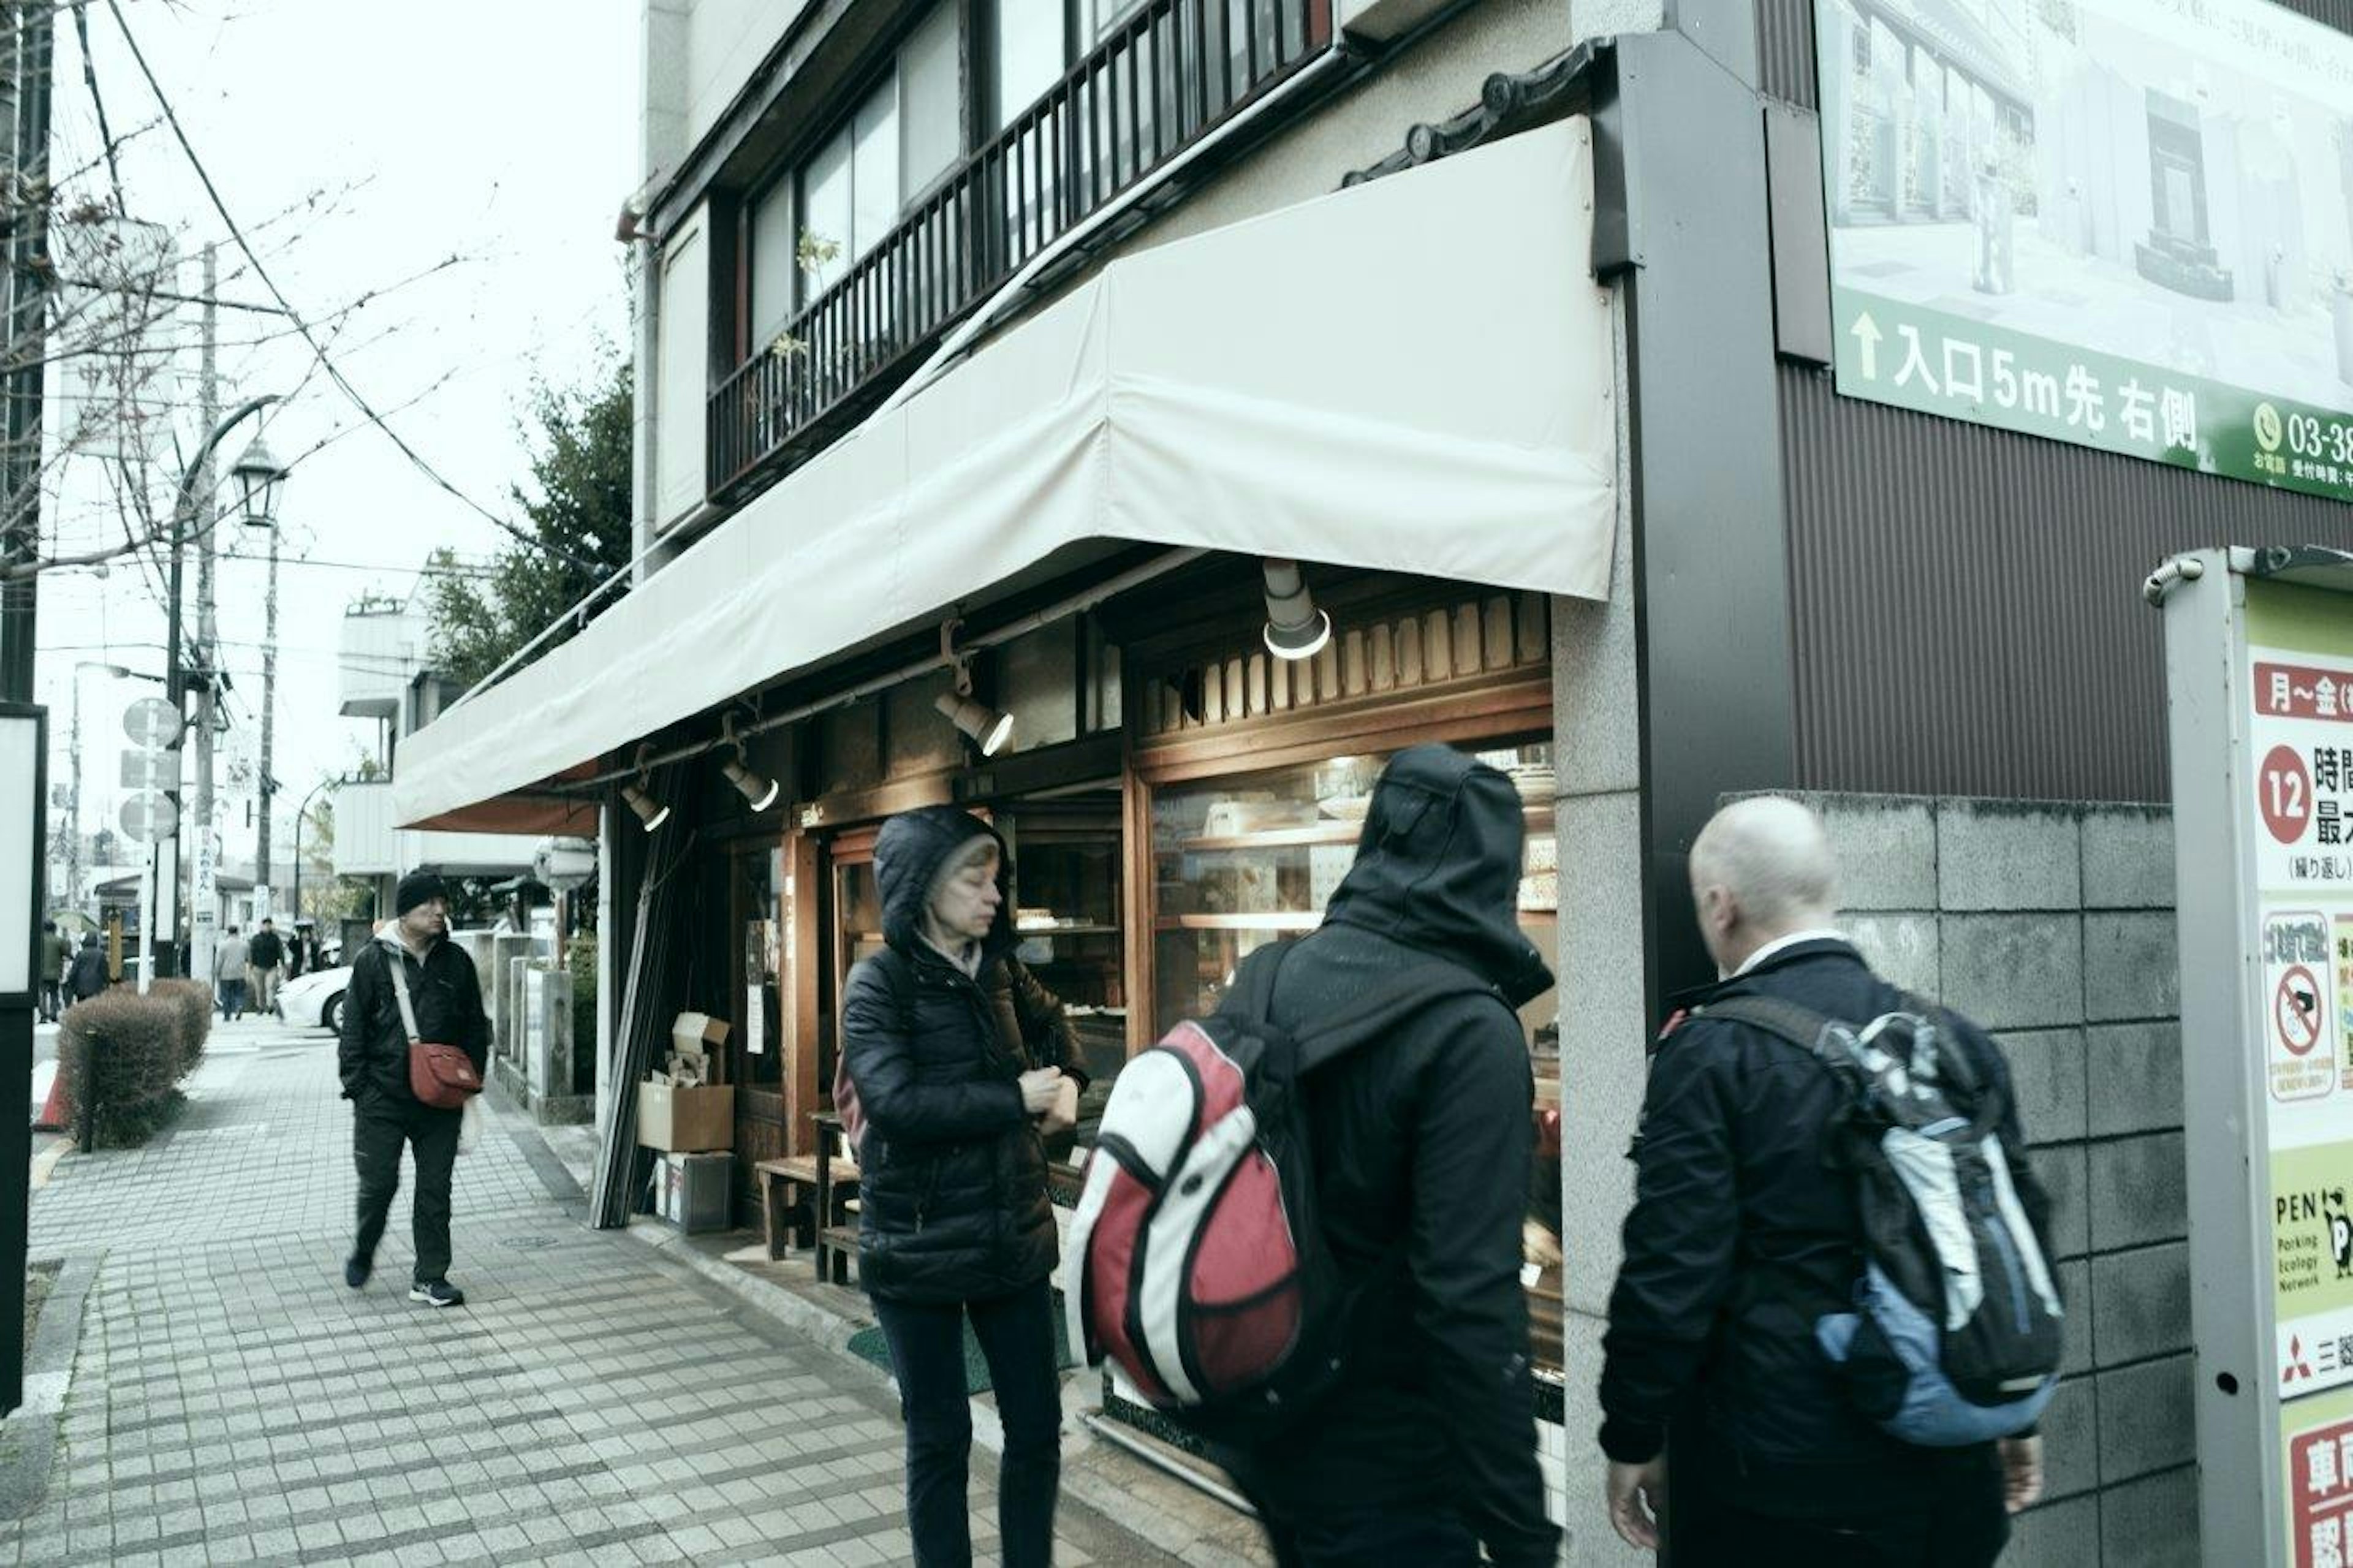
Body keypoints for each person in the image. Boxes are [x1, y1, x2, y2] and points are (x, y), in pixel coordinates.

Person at [1598, 796, 2051, 1566]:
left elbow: (1673, 1269)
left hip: (1783, 1485)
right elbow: (2015, 1230)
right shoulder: (1952, 1040)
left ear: (1720, 904)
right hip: (1952, 1472)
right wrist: (2012, 1417)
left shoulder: (1712, 1054)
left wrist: (1633, 1433)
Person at [1203, 744, 1559, 1568]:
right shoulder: (1470, 1029)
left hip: (1271, 1420)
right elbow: (1469, 1304)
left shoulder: (1268, 972)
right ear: (1494, 868)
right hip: (1392, 1464)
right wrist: (1520, 1530)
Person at [841, 806, 1086, 1568]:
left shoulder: (1004, 971)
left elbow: (1060, 1028)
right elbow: (896, 1104)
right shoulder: (879, 982)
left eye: (996, 879)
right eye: (974, 878)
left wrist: (1072, 1080)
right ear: (923, 887)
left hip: (1010, 1234)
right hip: (915, 1244)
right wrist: (1014, 1099)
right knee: (940, 1436)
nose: (992, 895)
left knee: (1037, 1429)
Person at [338, 871, 490, 1308]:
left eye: (443, 903)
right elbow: (353, 1032)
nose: (440, 911)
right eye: (429, 904)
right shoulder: (372, 961)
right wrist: (360, 1089)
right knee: (380, 1184)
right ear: (406, 911)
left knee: (435, 1189)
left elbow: (475, 1029)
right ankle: (365, 1249)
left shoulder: (456, 961)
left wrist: (467, 1082)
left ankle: (430, 1276)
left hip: (440, 1099)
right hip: (382, 1099)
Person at [248, 918, 286, 1016]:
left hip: (272, 967)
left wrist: (283, 964)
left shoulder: (275, 938)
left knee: (270, 986)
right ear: (262, 926)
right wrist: (251, 966)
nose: (267, 927)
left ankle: (270, 1006)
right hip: (258, 967)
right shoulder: (256, 938)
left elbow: (280, 952)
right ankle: (260, 1007)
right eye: (265, 925)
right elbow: (251, 953)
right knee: (259, 989)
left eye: (269, 925)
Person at [214, 925, 251, 1020]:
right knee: (239, 994)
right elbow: (249, 959)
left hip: (226, 974)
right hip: (240, 974)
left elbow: (219, 961)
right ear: (237, 932)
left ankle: (227, 1015)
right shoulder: (244, 945)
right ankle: (239, 1006)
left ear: (228, 933)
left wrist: (216, 972)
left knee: (226, 995)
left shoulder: (223, 945)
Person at [66, 932, 108, 1004]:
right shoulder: (101, 954)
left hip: (81, 987)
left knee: (82, 1006)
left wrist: (71, 982)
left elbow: (75, 970)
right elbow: (104, 971)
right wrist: (107, 983)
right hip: (96, 987)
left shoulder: (81, 954)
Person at [37, 920, 65, 1023]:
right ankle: (54, 1015)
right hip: (55, 973)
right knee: (54, 994)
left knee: (42, 994)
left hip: (41, 972)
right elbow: (66, 952)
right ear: (54, 929)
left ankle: (43, 1015)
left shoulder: (40, 940)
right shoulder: (59, 940)